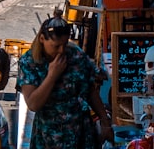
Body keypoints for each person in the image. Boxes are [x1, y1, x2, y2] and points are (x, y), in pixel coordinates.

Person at [17, 16, 115, 149]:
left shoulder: (75, 54)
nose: (61, 50)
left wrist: (105, 121)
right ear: (42, 39)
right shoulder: (29, 62)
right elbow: (33, 104)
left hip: (81, 133)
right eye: (56, 46)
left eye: (64, 44)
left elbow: (91, 91)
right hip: (49, 137)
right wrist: (52, 76)